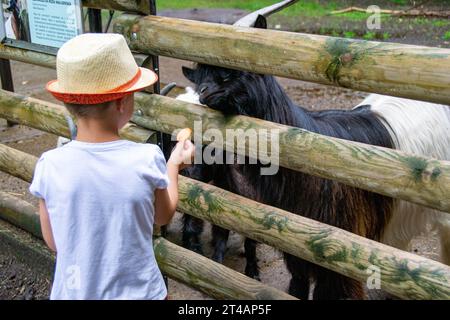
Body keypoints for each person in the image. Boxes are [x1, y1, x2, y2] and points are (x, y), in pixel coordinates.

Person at [29, 33, 195, 300]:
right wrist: (173, 164)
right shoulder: (146, 158)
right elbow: (162, 216)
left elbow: (54, 242)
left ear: (68, 103)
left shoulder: (50, 165)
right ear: (121, 102)